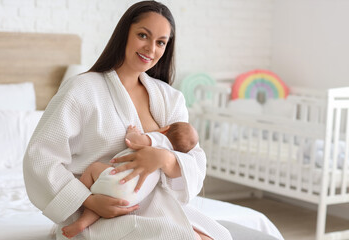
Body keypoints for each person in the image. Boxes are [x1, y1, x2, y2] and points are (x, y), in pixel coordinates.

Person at [23, 1, 278, 240]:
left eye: (161, 42)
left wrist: (165, 159)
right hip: (102, 212)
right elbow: (41, 158)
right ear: (125, 33)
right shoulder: (81, 89)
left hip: (159, 206)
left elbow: (195, 159)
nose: (151, 48)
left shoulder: (170, 98)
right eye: (143, 35)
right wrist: (88, 201)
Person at [61, 122, 199, 238]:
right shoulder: (170, 156)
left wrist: (134, 132)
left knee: (94, 168)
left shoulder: (159, 139)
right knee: (105, 198)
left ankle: (80, 200)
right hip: (131, 197)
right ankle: (83, 223)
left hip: (118, 180)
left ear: (165, 129)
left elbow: (133, 141)